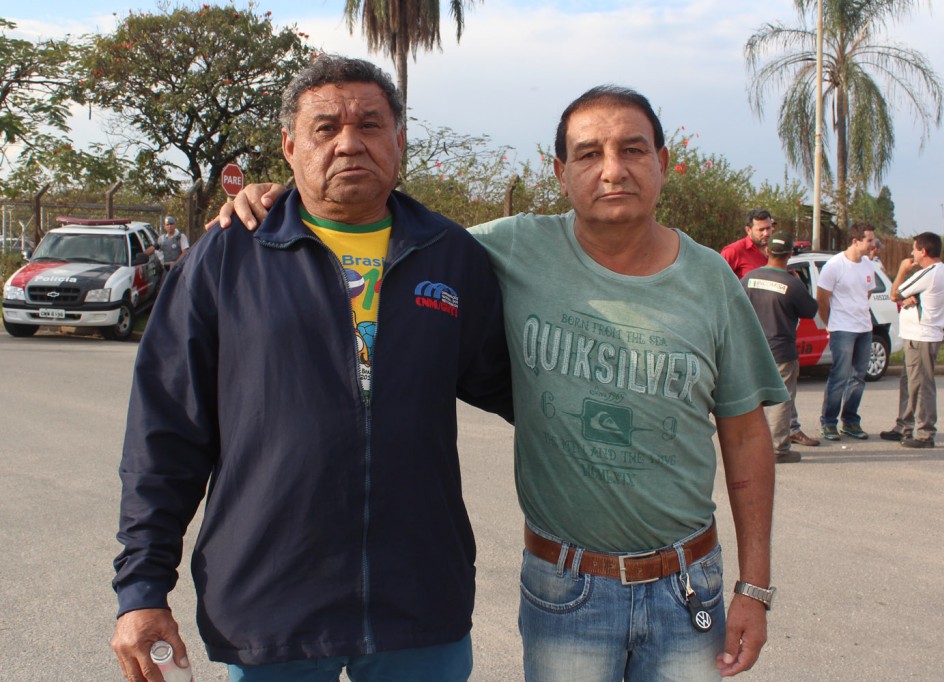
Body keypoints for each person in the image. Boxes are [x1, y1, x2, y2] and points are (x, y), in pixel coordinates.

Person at [222, 85, 790, 680]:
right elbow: (391, 227)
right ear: (561, 172)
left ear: (664, 163)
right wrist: (279, 199)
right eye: (590, 153)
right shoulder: (508, 248)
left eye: (633, 150)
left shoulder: (712, 281)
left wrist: (755, 587)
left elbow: (747, 434)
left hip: (688, 586)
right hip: (565, 587)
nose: (613, 170)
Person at [111, 56, 513, 682]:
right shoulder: (229, 255)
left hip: (419, 604)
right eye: (325, 128)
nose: (350, 142)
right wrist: (141, 588)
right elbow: (165, 432)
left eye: (371, 125)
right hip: (273, 608)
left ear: (399, 141)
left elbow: (520, 389)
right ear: (290, 145)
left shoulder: (450, 255)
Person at [741, 232, 819, 463]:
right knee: (780, 402)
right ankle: (777, 450)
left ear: (767, 252)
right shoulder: (792, 284)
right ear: (790, 254)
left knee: (752, 400)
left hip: (752, 351)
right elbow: (810, 310)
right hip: (781, 351)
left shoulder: (748, 278)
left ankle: (750, 446)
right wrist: (800, 283)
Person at [880, 232, 944, 448]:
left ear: (924, 251)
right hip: (916, 336)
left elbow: (895, 293)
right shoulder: (935, 273)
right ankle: (905, 426)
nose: (912, 253)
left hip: (922, 337)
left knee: (921, 384)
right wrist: (908, 297)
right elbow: (905, 295)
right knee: (909, 382)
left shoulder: (930, 272)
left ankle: (924, 433)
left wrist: (902, 270)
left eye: (915, 249)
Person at [816, 223, 878, 441]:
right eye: (869, 240)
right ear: (856, 241)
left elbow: (866, 293)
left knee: (858, 377)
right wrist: (829, 324)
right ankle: (829, 423)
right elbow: (822, 299)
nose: (873, 244)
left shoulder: (868, 265)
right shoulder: (834, 266)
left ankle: (850, 421)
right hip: (842, 328)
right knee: (839, 376)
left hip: (864, 328)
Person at [720, 208, 775, 278]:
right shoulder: (733, 251)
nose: (766, 233)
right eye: (761, 230)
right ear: (748, 230)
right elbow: (717, 279)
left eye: (768, 228)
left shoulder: (776, 249)